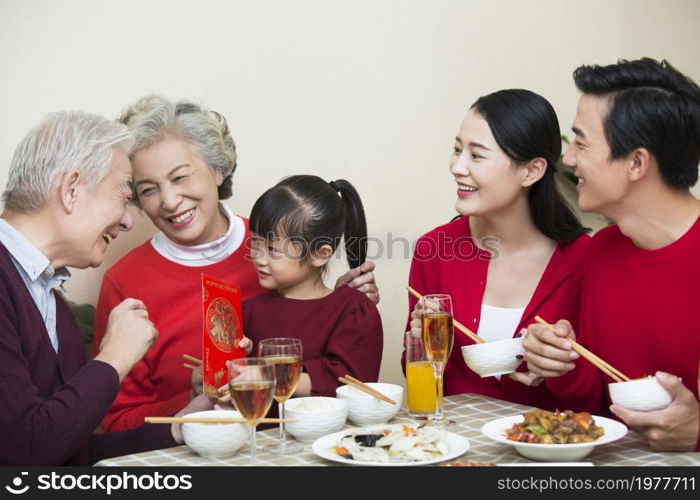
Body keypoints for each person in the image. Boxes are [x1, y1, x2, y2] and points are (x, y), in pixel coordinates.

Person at [94, 95, 379, 432]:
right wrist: (194, 400)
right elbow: (116, 422)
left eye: (181, 177)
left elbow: (326, 345)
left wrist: (336, 301)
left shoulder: (282, 245)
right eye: (149, 189)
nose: (170, 201)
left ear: (217, 168)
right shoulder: (125, 282)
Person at [518, 58, 700, 451]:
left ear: (636, 162)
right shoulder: (601, 251)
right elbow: (597, 403)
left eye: (582, 143)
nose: (567, 159)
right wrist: (561, 365)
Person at [0, 111, 198, 465]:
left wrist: (180, 427)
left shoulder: (51, 302)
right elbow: (22, 456)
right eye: (124, 194)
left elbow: (70, 452)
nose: (127, 220)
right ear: (72, 189)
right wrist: (115, 358)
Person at [406, 89, 591, 410]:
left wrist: (561, 368)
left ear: (531, 171)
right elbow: (420, 383)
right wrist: (422, 342)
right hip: (456, 446)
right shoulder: (434, 249)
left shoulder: (585, 259)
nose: (457, 166)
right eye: (457, 149)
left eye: (476, 155)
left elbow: (595, 395)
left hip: (546, 446)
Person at [243, 175, 383, 396]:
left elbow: (351, 384)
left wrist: (269, 376)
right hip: (262, 431)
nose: (258, 257)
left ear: (319, 254)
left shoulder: (353, 310)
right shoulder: (249, 310)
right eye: (255, 242)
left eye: (272, 249)